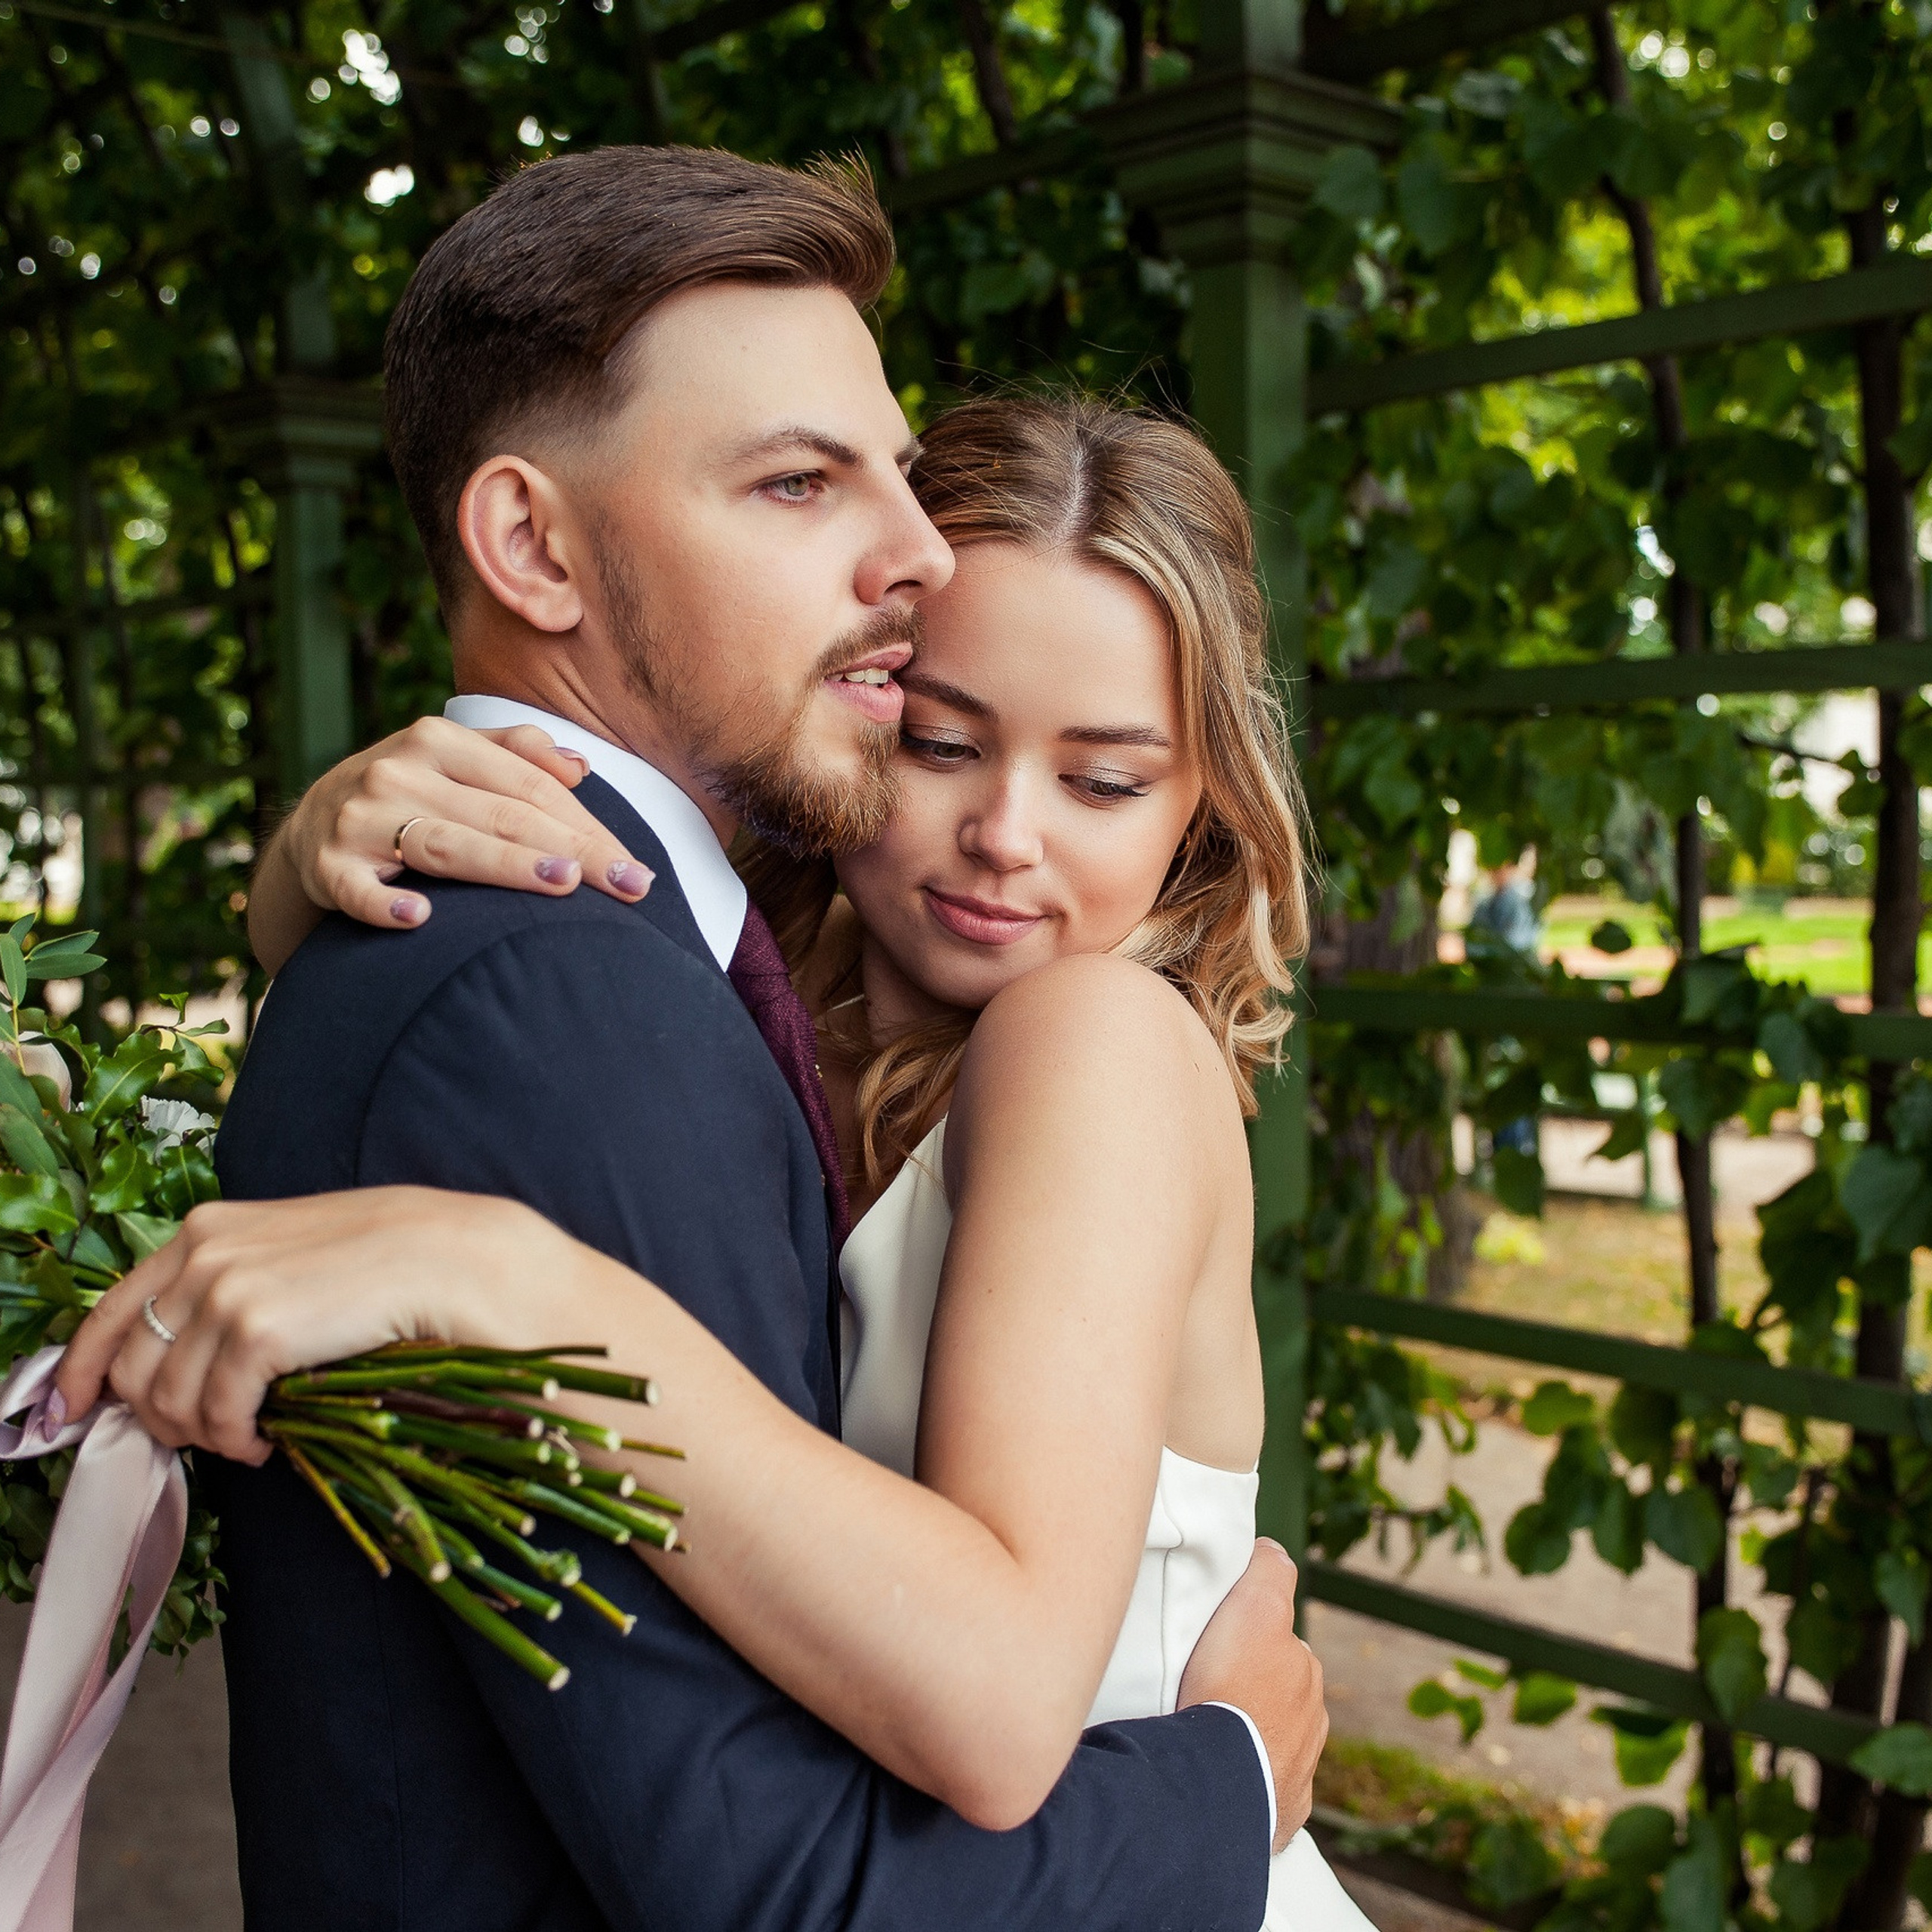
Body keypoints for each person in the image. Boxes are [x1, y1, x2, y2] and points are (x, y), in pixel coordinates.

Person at [59, 149, 1321, 1932]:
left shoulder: (1085, 1035)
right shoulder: (719, 999)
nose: (1007, 837)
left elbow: (986, 1695)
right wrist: (299, 867)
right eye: (939, 738)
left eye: (1106, 776)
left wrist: (513, 1280)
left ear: (1202, 806)